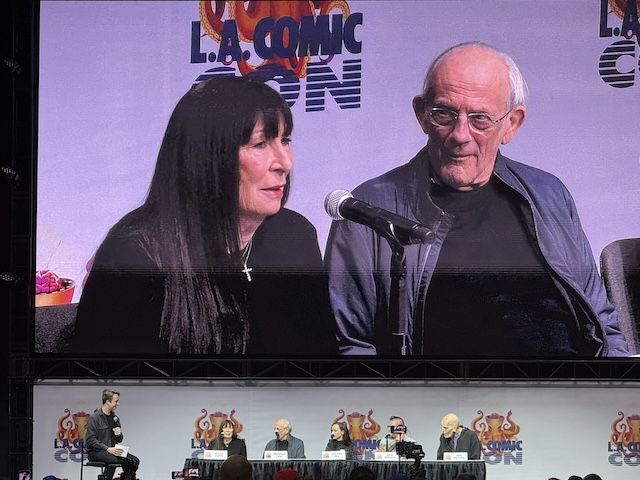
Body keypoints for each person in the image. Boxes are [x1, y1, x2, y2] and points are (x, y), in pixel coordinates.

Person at [324, 41, 630, 357]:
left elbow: (604, 328)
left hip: (567, 395)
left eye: (480, 118)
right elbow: (352, 349)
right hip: (443, 402)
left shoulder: (549, 194)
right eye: (444, 113)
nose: (460, 135)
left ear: (511, 124)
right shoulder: (368, 212)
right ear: (422, 116)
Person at [72, 75, 337, 355]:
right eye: (260, 144)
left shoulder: (295, 235)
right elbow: (110, 392)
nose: (285, 162)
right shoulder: (133, 257)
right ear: (207, 158)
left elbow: (319, 363)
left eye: (285, 141)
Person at [84, 389, 140, 480]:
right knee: (113, 460)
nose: (118, 404)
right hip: (96, 451)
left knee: (134, 461)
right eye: (116, 401)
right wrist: (107, 449)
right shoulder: (95, 418)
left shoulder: (115, 418)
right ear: (107, 402)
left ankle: (127, 477)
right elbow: (90, 440)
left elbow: (120, 439)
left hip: (113, 450)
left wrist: (118, 434)